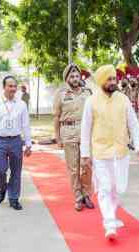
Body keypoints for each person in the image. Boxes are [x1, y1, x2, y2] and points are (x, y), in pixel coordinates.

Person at [80, 65, 139, 240]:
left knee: (118, 188)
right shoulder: (91, 101)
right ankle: (109, 223)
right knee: (105, 188)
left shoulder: (123, 99)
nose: (112, 82)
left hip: (121, 152)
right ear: (101, 81)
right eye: (109, 79)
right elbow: (85, 129)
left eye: (114, 79)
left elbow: (133, 123)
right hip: (101, 152)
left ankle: (112, 216)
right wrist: (85, 154)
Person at [0, 75, 32, 211]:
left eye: (15, 86)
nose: (13, 89)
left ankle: (14, 198)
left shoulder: (21, 104)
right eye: (10, 86)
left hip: (16, 140)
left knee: (16, 171)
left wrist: (28, 144)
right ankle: (3, 188)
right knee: (0, 170)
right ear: (4, 87)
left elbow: (26, 125)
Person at [53, 64, 95, 211]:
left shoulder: (88, 92)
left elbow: (93, 114)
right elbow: (56, 116)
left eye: (77, 76)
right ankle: (78, 196)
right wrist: (57, 137)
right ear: (66, 78)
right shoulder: (61, 93)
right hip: (68, 131)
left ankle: (86, 194)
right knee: (73, 168)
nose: (75, 78)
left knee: (87, 165)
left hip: (85, 133)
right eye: (72, 76)